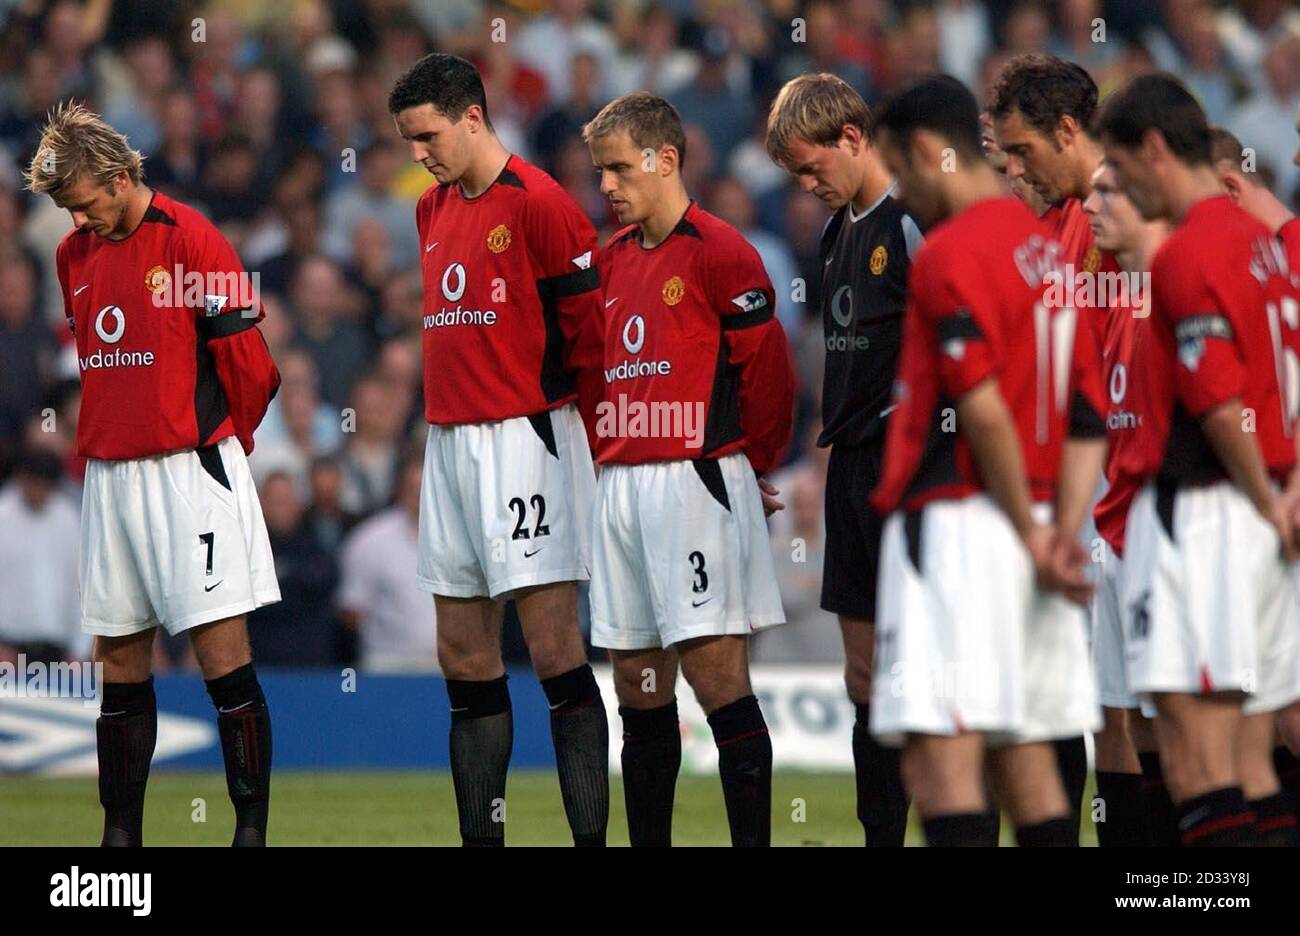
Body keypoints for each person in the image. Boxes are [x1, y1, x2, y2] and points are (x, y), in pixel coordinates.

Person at [25, 102, 281, 846]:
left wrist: (217, 446)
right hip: (110, 479)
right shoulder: (74, 254)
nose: (80, 223)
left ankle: (250, 834)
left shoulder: (191, 238)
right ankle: (121, 837)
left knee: (222, 659)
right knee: (120, 668)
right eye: (69, 212)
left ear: (119, 175)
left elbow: (250, 369)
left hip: (191, 471)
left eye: (85, 205)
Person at [869, 75, 1105, 847]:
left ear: (929, 153)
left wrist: (1026, 530)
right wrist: (1057, 530)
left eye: (902, 171)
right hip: (1035, 522)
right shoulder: (1050, 251)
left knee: (944, 763)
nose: (902, 195)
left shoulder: (949, 254)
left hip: (962, 521)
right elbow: (1086, 415)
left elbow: (981, 407)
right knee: (1027, 760)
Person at [389, 52, 609, 847]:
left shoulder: (542, 203)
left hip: (529, 436)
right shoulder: (431, 210)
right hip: (449, 440)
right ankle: (484, 840)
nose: (420, 154)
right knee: (461, 653)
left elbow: (589, 341)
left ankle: (589, 839)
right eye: (410, 141)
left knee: (552, 646)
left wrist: (597, 444)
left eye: (428, 136)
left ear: (473, 118)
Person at [584, 92, 794, 847]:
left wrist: (750, 464)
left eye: (615, 169)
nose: (605, 186)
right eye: (598, 171)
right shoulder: (607, 263)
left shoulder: (722, 252)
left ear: (664, 160)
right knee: (639, 694)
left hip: (693, 483)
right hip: (620, 488)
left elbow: (768, 373)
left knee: (716, 683)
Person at [1096, 73, 1300, 845]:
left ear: (1154, 151)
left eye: (1120, 166)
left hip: (1206, 508)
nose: (1115, 188)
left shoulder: (1184, 255)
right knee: (1253, 755)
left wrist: (1259, 495)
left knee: (1192, 753)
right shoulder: (1268, 248)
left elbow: (1216, 401)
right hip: (1270, 510)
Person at [764, 72, 922, 847]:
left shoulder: (911, 222)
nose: (805, 184)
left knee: (926, 672)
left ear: (851, 138)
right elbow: (841, 359)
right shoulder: (835, 236)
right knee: (863, 677)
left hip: (911, 467)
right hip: (850, 469)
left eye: (810, 164)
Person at [990, 52, 1132, 844]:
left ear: (1069, 130)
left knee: (1136, 712)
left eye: (1023, 152)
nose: (1012, 169)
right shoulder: (1045, 226)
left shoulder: (1129, 208)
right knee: (1073, 700)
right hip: (1065, 493)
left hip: (1129, 486)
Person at [1079, 162, 1173, 846]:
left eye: (1108, 192)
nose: (1090, 204)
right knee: (1123, 710)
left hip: (1171, 533)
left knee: (1201, 721)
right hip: (1111, 527)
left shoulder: (1184, 289)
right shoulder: (1115, 293)